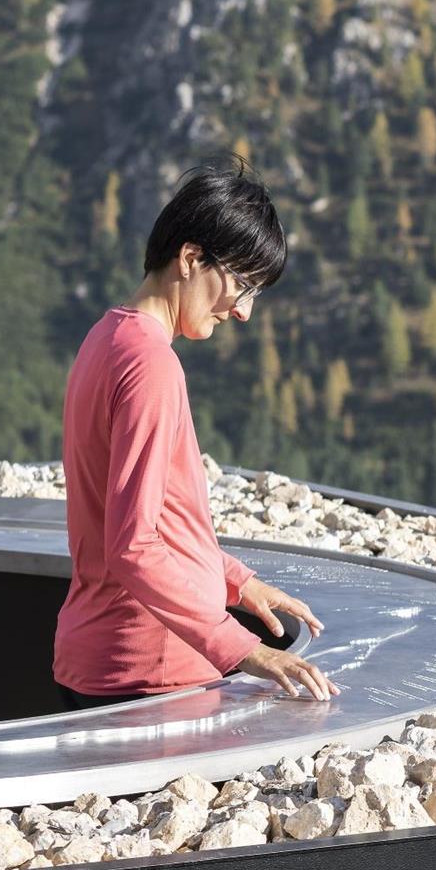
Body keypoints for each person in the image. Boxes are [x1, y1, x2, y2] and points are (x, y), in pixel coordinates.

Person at [52, 155, 338, 710]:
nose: (244, 312)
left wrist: (235, 580)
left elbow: (154, 519)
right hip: (146, 680)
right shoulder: (150, 366)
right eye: (243, 285)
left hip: (105, 663)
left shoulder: (106, 339)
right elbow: (133, 546)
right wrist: (245, 650)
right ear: (190, 258)